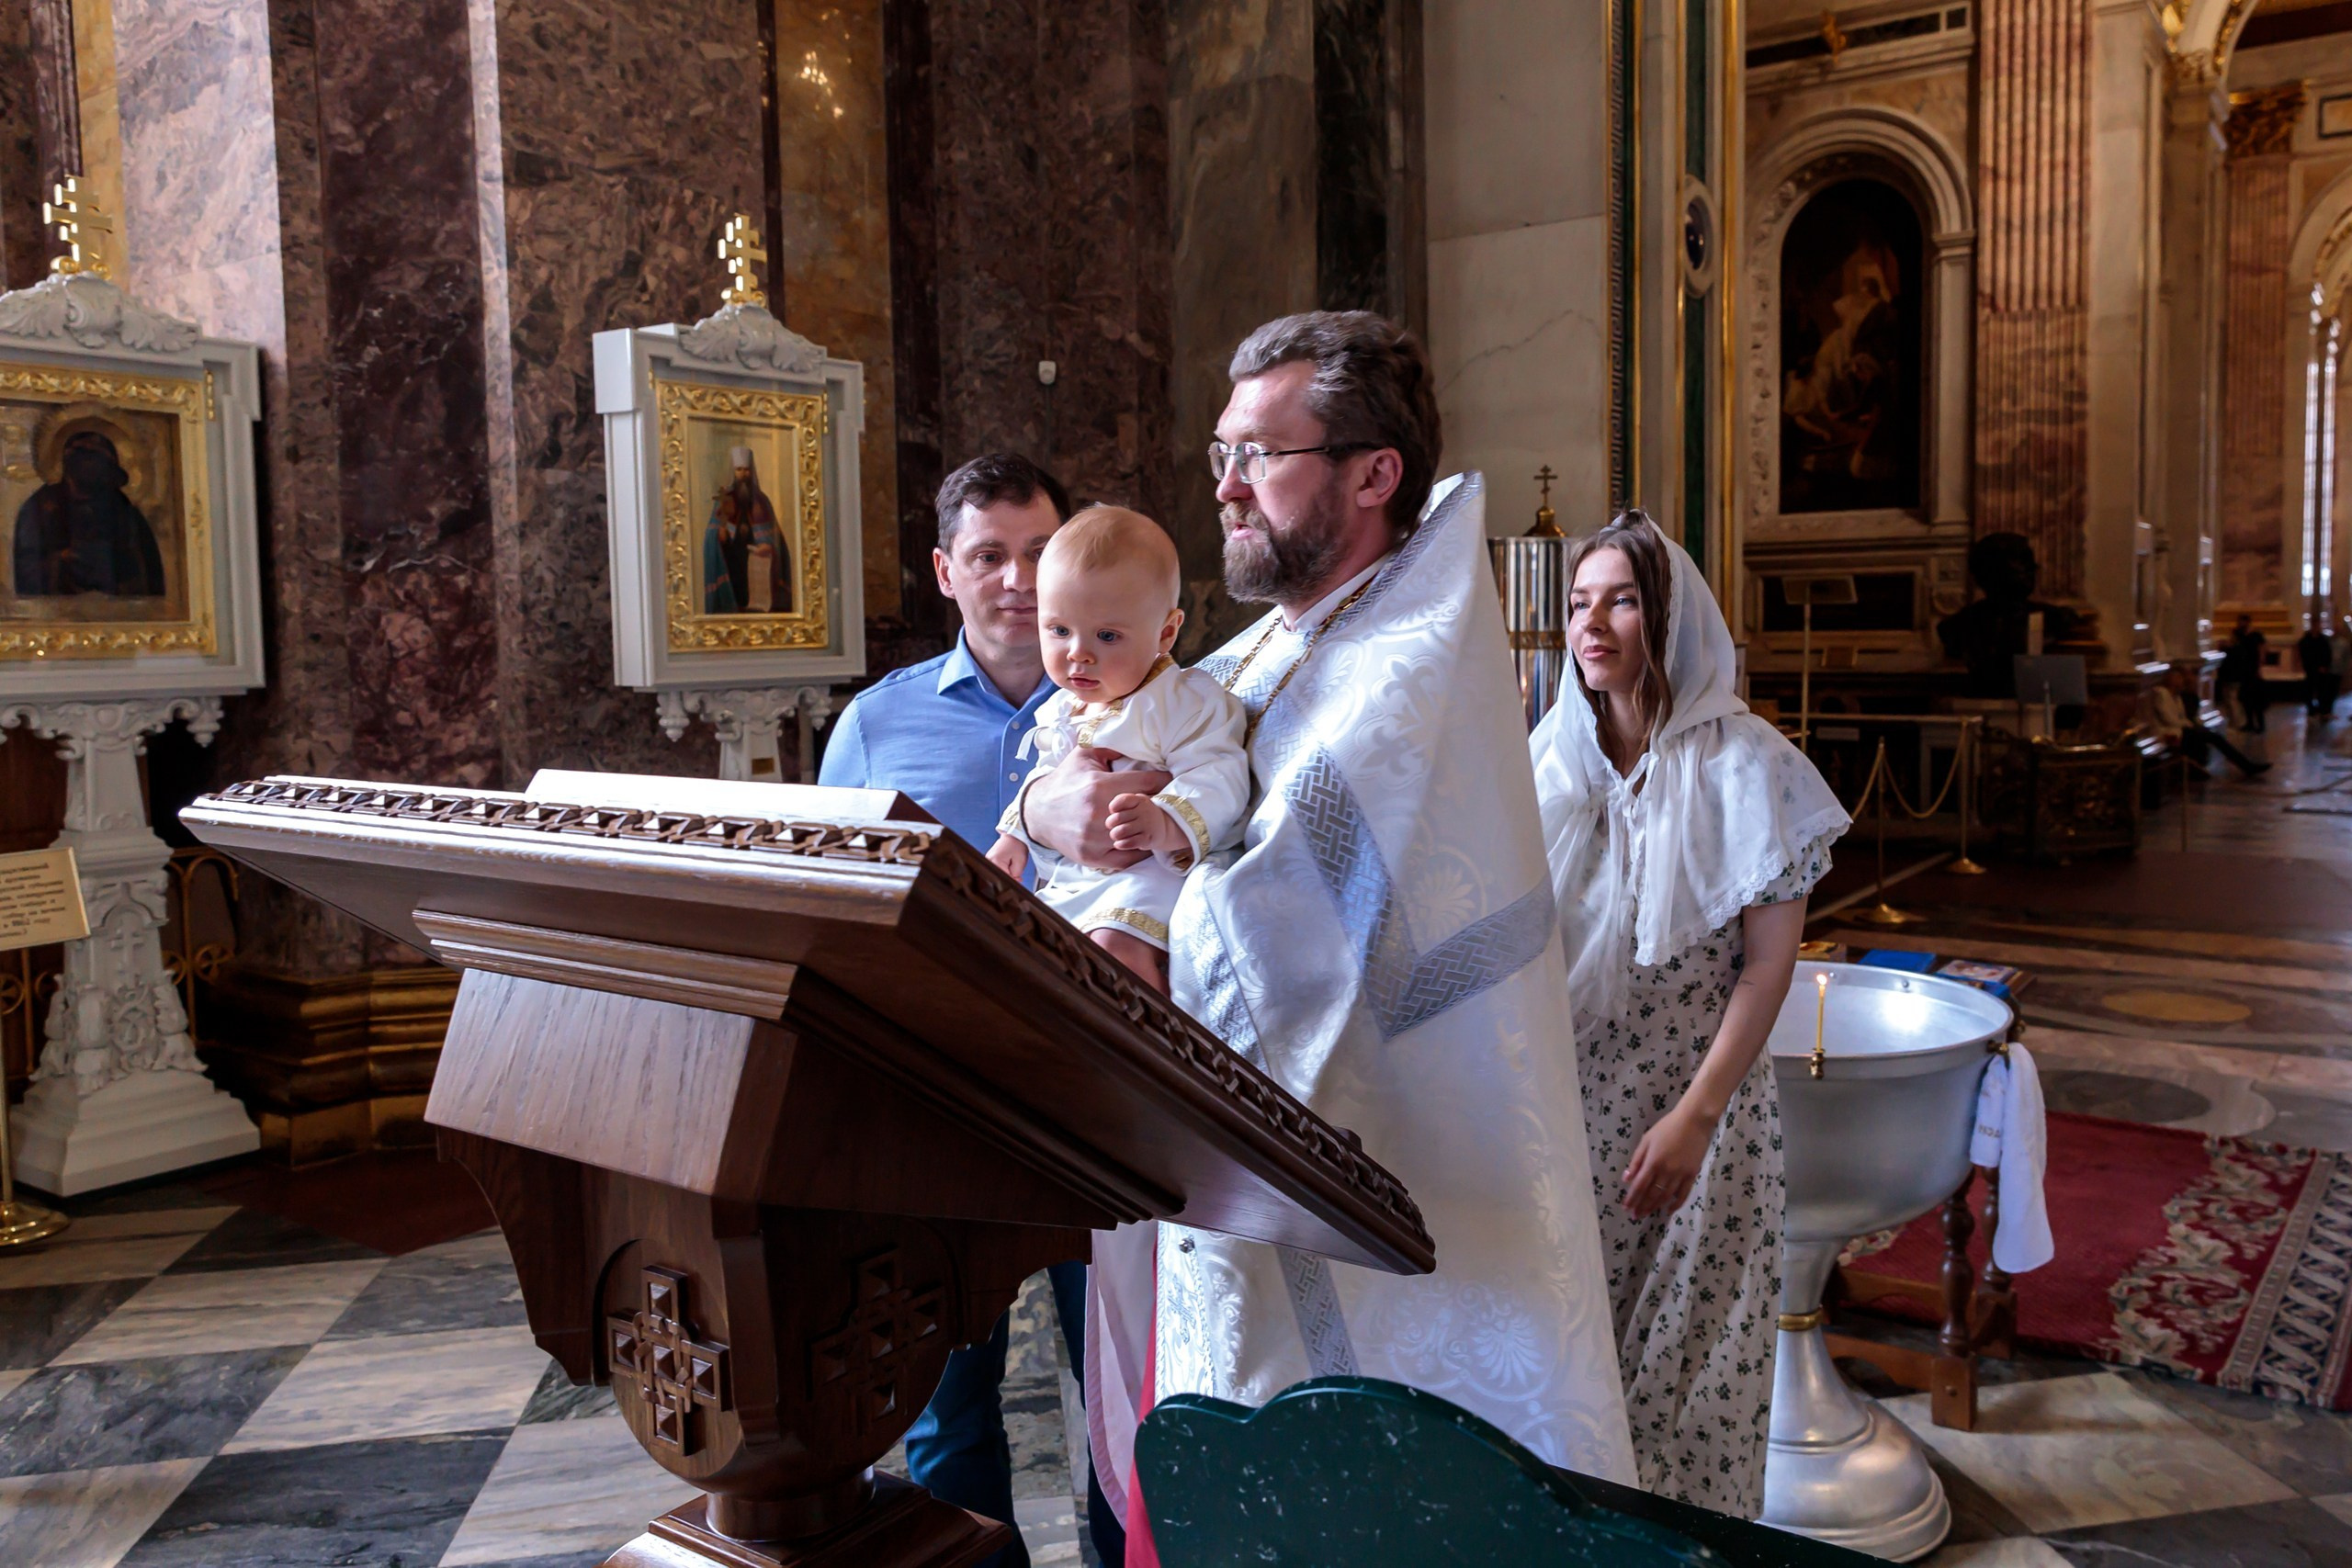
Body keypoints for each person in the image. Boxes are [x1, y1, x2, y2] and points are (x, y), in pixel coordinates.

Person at [1021, 312, 1637, 1559]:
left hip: (1390, 1199)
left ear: (1372, 472)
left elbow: (1274, 942)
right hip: (1238, 1192)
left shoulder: (1406, 668)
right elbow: (1088, 764)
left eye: (1261, 455)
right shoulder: (1270, 645)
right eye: (1221, 452)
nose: (1227, 487)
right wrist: (1053, 808)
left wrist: (1114, 891)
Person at [816, 452, 1119, 1568]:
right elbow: (830, 911)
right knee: (948, 1400)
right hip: (937, 1101)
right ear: (946, 570)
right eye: (989, 555)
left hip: (1098, 1101)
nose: (1016, 579)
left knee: (1122, 1384)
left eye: (1039, 553)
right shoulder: (873, 730)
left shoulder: (1136, 706)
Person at [1530, 511, 1850, 1517]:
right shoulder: (1549, 759)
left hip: (1698, 1126)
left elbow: (1765, 970)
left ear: (1670, 620)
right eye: (1579, 603)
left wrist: (1694, 1119)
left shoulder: (1749, 766)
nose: (1594, 623)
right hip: (1571, 1117)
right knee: (1571, 1395)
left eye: (1621, 599)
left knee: (1685, 1395)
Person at [988, 506, 1250, 989]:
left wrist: (1165, 820)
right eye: (1059, 630)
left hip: (1147, 872)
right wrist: (1015, 837)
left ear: (1166, 632)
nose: (1077, 653)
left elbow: (1219, 772)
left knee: (1116, 946)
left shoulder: (1183, 701)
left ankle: (1141, 1049)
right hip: (1073, 878)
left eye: (1107, 636)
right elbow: (1043, 780)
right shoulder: (1064, 709)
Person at [10, 429, 166, 597]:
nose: (91, 466)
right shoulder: (42, 506)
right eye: (84, 460)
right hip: (61, 609)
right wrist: (62, 559)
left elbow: (147, 571)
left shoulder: (123, 509)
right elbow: (26, 565)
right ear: (69, 463)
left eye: (98, 461)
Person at [2149, 663, 2267, 777]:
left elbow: (2181, 717)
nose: (2181, 680)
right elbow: (2170, 719)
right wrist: (2190, 725)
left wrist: (2191, 724)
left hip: (2180, 729)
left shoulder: (2177, 696)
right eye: (2178, 677)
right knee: (2214, 737)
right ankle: (2246, 766)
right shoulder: (2162, 694)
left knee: (2214, 737)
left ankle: (2246, 765)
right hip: (2169, 731)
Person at [2219, 614, 2268, 733]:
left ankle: (2260, 724)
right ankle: (2249, 723)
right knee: (2245, 698)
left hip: (2252, 669)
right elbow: (2233, 643)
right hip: (2242, 670)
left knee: (2256, 698)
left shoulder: (2255, 635)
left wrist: (2259, 666)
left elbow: (2261, 649)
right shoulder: (2238, 634)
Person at [2300, 616, 2339, 718]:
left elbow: (2327, 654)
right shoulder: (2306, 640)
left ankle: (2322, 709)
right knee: (2308, 691)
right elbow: (2303, 653)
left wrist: (2324, 666)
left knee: (2322, 691)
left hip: (2321, 670)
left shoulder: (2323, 640)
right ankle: (2311, 710)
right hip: (2310, 669)